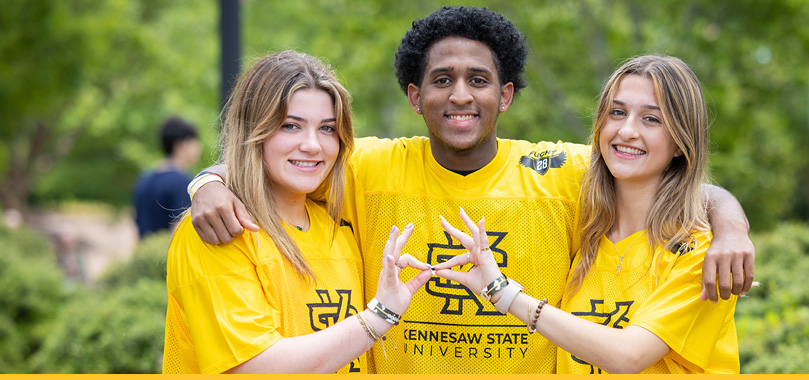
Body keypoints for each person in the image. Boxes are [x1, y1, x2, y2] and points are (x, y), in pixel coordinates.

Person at [187, 6, 755, 373]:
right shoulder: (371, 165)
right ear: (415, 97)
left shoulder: (557, 169)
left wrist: (730, 225)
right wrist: (209, 180)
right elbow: (293, 153)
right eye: (442, 80)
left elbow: (663, 177)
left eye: (478, 81)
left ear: (505, 96)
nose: (461, 95)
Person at [436, 55, 740, 373]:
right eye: (617, 113)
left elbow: (628, 356)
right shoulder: (583, 227)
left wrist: (502, 292)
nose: (627, 130)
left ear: (680, 142)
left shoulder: (698, 252)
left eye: (651, 119)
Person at [162, 50, 432, 374]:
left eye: (327, 129)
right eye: (291, 126)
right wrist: (379, 316)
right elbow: (255, 368)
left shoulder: (338, 228)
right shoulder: (218, 230)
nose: (313, 145)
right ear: (253, 132)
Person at [133, 116, 201, 238]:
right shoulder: (183, 183)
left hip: (147, 250)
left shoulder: (144, 179)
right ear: (180, 145)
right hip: (168, 254)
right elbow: (179, 229)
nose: (198, 148)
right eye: (194, 142)